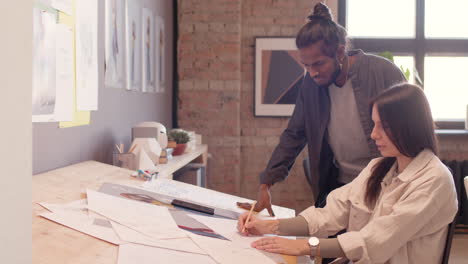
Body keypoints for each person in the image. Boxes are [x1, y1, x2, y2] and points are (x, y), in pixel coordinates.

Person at [237, 83, 458, 264]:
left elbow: (374, 241)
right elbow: (330, 213)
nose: (373, 134)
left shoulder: (435, 180)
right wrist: (268, 225)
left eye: (383, 126)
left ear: (408, 126)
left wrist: (306, 246)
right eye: (374, 124)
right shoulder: (378, 168)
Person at [237, 2, 407, 216]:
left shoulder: (382, 72)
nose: (312, 72)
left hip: (385, 184)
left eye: (318, 64)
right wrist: (266, 183)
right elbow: (295, 133)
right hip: (340, 186)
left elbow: (412, 129)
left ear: (339, 52)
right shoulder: (310, 84)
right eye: (306, 65)